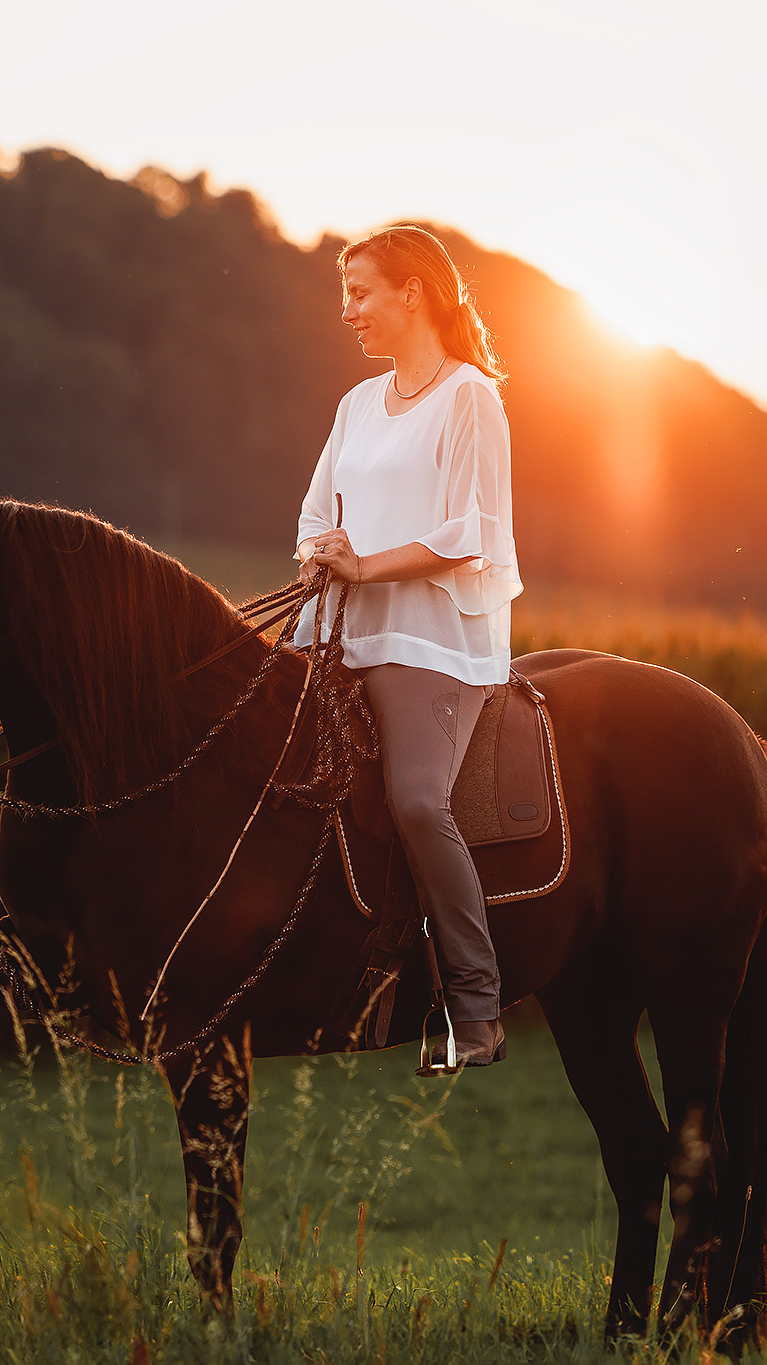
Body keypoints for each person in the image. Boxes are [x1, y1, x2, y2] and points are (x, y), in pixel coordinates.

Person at [292, 224, 523, 1073]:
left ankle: (474, 1006)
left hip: (433, 641)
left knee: (419, 801)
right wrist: (326, 555)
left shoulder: (471, 397)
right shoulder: (356, 404)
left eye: (360, 292)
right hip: (338, 629)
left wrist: (365, 563)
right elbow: (317, 514)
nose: (348, 311)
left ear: (413, 292)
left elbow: (470, 532)